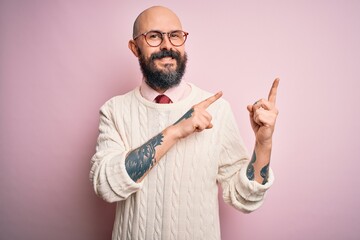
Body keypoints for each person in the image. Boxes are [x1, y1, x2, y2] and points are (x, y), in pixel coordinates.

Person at [90, 5, 279, 240]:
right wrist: (176, 130)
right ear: (134, 48)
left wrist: (264, 144)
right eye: (154, 36)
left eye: (175, 36)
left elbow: (245, 198)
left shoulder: (217, 109)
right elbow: (106, 186)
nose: (167, 45)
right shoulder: (114, 110)